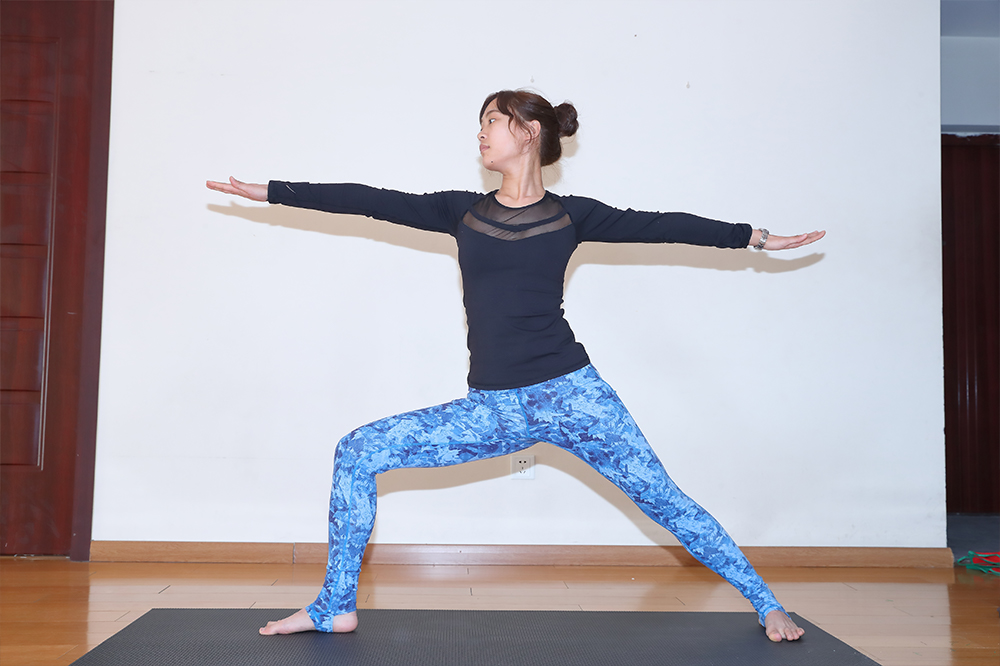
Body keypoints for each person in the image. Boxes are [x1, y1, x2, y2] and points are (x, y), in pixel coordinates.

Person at [207, 90, 824, 643]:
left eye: (492, 121)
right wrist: (272, 191)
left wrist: (754, 236)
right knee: (358, 450)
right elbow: (368, 201)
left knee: (665, 501)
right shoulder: (460, 211)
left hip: (575, 397)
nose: (480, 133)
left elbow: (663, 226)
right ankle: (333, 607)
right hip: (494, 409)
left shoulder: (574, 215)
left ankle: (766, 603)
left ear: (530, 133)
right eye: (480, 123)